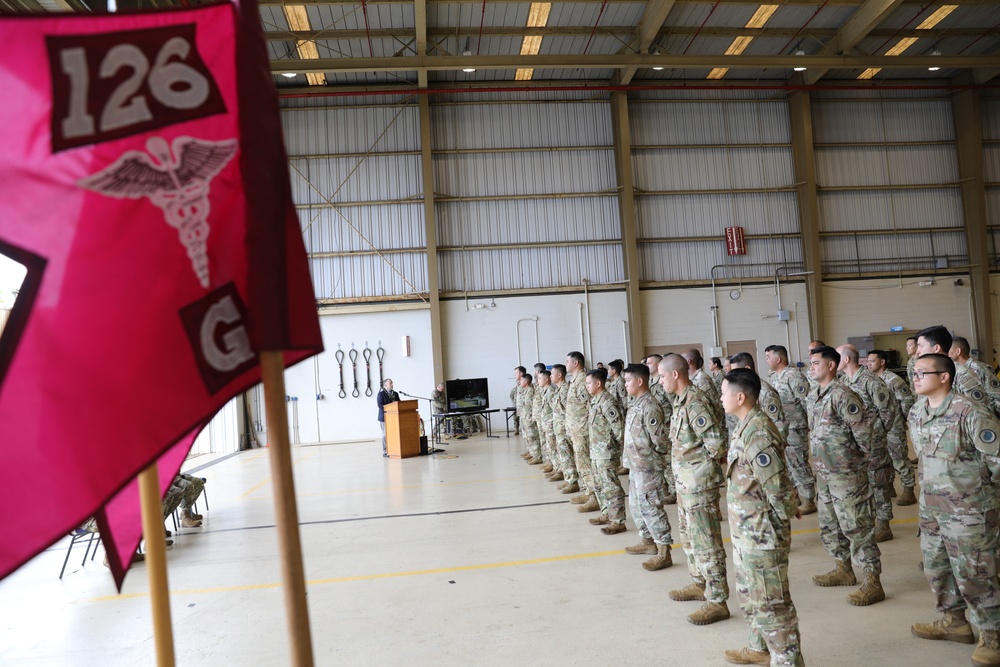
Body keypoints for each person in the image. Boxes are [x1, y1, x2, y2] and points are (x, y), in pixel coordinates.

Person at [908, 352, 1000, 667]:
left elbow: (997, 461)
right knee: (937, 569)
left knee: (975, 574)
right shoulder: (917, 412)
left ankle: (993, 636)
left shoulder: (971, 413)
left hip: (969, 512)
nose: (916, 377)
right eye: (914, 373)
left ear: (944, 376)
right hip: (932, 509)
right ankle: (954, 622)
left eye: (922, 372)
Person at [722, 368, 804, 667]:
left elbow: (778, 487)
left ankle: (787, 661)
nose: (720, 398)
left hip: (762, 535)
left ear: (740, 397)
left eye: (724, 392)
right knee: (753, 597)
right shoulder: (745, 425)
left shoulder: (758, 432)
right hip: (748, 530)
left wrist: (784, 516)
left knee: (771, 604)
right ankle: (759, 648)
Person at [807, 346, 884, 606]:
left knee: (857, 527)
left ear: (831, 365)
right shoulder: (814, 395)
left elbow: (865, 434)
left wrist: (856, 463)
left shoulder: (843, 395)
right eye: (811, 362)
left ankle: (873, 581)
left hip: (847, 474)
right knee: (830, 525)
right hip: (824, 474)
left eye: (816, 362)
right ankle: (843, 568)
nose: (811, 366)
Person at [660, 354, 730, 626]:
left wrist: (701, 475)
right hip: (686, 485)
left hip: (699, 486)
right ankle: (700, 583)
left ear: (676, 375)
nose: (661, 381)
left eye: (663, 376)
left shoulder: (695, 401)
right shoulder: (680, 402)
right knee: (689, 539)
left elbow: (716, 444)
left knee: (706, 543)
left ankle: (717, 600)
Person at [837, 344, 896, 543]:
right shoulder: (844, 381)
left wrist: (877, 434)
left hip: (873, 442)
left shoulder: (870, 381)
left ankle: (884, 524)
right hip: (854, 444)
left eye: (837, 356)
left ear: (846, 359)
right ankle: (869, 519)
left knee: (879, 482)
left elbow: (888, 411)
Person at [621, 363, 675, 571]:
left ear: (639, 381)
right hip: (636, 466)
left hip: (648, 467)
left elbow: (660, 440)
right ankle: (647, 541)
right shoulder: (636, 403)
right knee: (636, 506)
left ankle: (664, 551)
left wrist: (654, 460)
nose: (625, 384)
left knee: (651, 508)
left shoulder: (650, 406)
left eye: (628, 381)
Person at [765, 344, 817, 515]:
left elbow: (806, 402)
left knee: (799, 463)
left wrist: (809, 425)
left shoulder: (794, 376)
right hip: (782, 428)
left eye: (768, 356)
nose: (766, 360)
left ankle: (808, 499)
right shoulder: (774, 376)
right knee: (788, 465)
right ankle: (796, 496)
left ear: (778, 359)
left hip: (796, 427)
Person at [868, 350, 917, 506]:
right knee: (883, 460)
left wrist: (903, 420)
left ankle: (909, 490)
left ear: (882, 362)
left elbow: (907, 401)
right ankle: (889, 487)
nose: (868, 364)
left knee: (899, 459)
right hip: (878, 428)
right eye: (867, 361)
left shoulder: (894, 380)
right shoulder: (871, 380)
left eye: (872, 361)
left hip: (894, 427)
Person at [585, 368, 627, 534]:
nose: (587, 386)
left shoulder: (607, 402)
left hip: (606, 452)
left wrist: (616, 449)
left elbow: (619, 429)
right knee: (600, 485)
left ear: (598, 383)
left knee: (611, 486)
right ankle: (606, 513)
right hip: (596, 451)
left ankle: (618, 520)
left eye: (589, 383)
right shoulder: (596, 400)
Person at [917, 326, 989, 407]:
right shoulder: (924, 375)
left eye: (921, 346)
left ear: (936, 348)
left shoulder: (963, 375)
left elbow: (980, 411)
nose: (917, 351)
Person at [566, 351, 596, 508]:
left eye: (567, 361)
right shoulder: (575, 380)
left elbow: (589, 406)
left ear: (575, 363)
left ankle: (594, 496)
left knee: (585, 463)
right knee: (581, 462)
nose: (566, 364)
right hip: (576, 430)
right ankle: (588, 491)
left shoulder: (582, 381)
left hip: (582, 430)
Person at [951, 336, 1000, 419]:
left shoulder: (981, 370)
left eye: (948, 350)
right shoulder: (957, 371)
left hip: (985, 419)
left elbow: (997, 397)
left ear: (958, 351)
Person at [517, 373, 542, 464]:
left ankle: (537, 456)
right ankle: (532, 453)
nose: (520, 382)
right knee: (528, 436)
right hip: (525, 416)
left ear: (526, 381)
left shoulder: (530, 391)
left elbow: (531, 405)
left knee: (533, 436)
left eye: (522, 380)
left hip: (530, 417)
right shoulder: (526, 390)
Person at [377, 378, 400, 458]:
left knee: (394, 433)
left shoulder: (395, 394)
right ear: (385, 385)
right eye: (390, 383)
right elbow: (380, 405)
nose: (392, 385)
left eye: (392, 383)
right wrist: (389, 410)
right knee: (385, 435)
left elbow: (399, 404)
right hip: (384, 417)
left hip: (395, 418)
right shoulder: (381, 394)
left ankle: (394, 449)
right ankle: (385, 451)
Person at [510, 366, 526, 435]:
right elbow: (512, 396)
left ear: (521, 373)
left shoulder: (526, 385)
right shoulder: (517, 387)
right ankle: (516, 428)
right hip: (518, 407)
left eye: (516, 373)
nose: (515, 375)